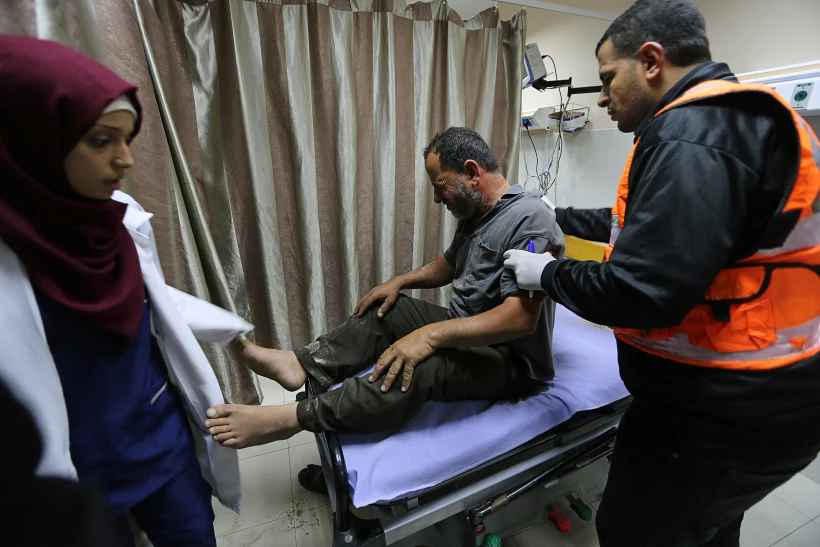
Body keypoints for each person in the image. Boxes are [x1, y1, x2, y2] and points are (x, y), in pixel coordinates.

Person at [503, 1, 820, 546]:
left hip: (723, 408)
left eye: (607, 79)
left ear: (651, 61)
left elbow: (640, 292)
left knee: (635, 532)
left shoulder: (692, 133)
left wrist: (546, 273)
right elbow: (645, 227)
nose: (601, 97)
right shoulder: (734, 118)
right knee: (706, 529)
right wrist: (555, 215)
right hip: (762, 391)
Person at [0, 37, 252, 546]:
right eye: (101, 141)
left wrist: (243, 343)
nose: (126, 160)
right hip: (73, 468)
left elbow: (152, 298)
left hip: (160, 445)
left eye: (126, 139)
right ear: (35, 137)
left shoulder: (113, 219)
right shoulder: (11, 258)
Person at [204, 127, 565, 445]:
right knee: (389, 309)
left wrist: (430, 336)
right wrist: (399, 281)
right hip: (469, 334)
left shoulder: (529, 218)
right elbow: (449, 264)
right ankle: (301, 364)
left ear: (471, 172)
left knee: (424, 361)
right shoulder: (477, 213)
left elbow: (520, 320)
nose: (437, 199)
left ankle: (289, 420)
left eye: (440, 186)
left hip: (512, 361)